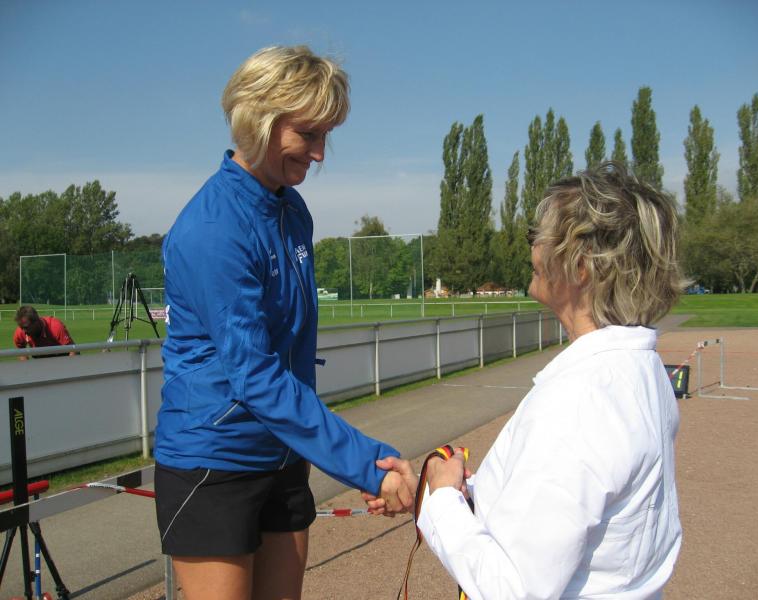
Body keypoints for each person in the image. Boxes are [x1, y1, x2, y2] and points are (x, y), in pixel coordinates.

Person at [154, 46, 413, 600]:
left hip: (283, 454)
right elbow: (256, 376)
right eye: (309, 134)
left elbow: (292, 356)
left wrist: (329, 454)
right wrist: (369, 465)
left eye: (326, 136)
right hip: (213, 461)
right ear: (260, 120)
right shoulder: (213, 230)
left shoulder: (293, 210)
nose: (319, 153)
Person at [369, 162, 685, 599]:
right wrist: (439, 490)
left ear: (581, 266)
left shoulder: (579, 403)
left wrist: (442, 498)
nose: (533, 247)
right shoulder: (638, 370)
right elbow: (558, 507)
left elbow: (509, 589)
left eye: (539, 236)